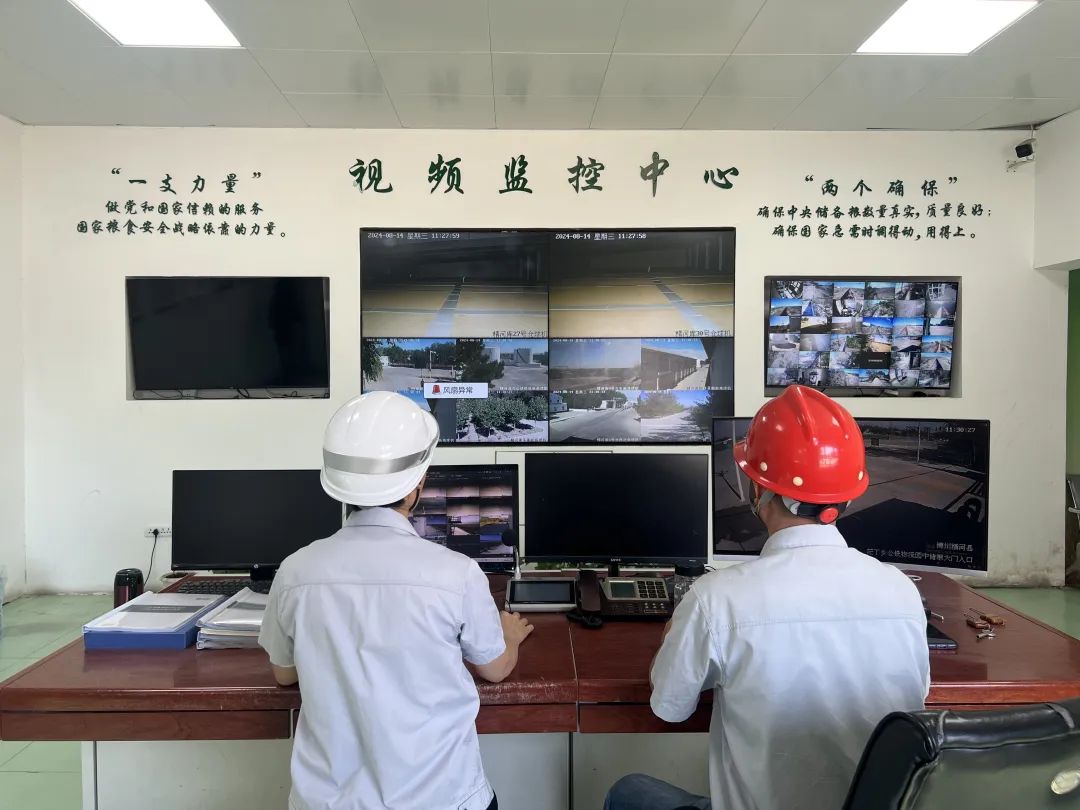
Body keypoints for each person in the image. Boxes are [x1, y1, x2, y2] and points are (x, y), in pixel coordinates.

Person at [605, 385, 930, 810]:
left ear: (758, 491)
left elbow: (670, 707)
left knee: (627, 792)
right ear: (847, 496)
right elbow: (914, 699)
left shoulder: (717, 599)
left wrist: (674, 637)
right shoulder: (901, 591)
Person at [259, 391, 534, 810]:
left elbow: (284, 675)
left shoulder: (295, 571)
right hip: (443, 800)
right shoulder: (456, 573)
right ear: (417, 485)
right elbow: (495, 670)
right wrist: (510, 636)